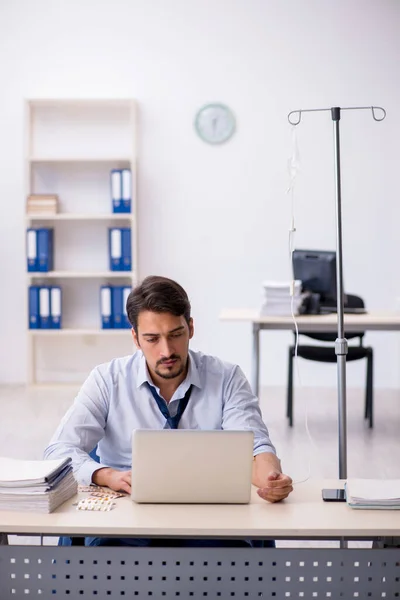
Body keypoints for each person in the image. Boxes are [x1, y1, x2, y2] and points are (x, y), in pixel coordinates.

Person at [44, 276, 293, 547]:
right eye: (152, 339)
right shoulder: (107, 379)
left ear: (191, 328)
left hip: (207, 515)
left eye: (176, 334)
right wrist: (109, 476)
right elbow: (59, 450)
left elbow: (256, 445)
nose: (167, 351)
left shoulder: (226, 377)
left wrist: (272, 479)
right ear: (135, 338)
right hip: (126, 518)